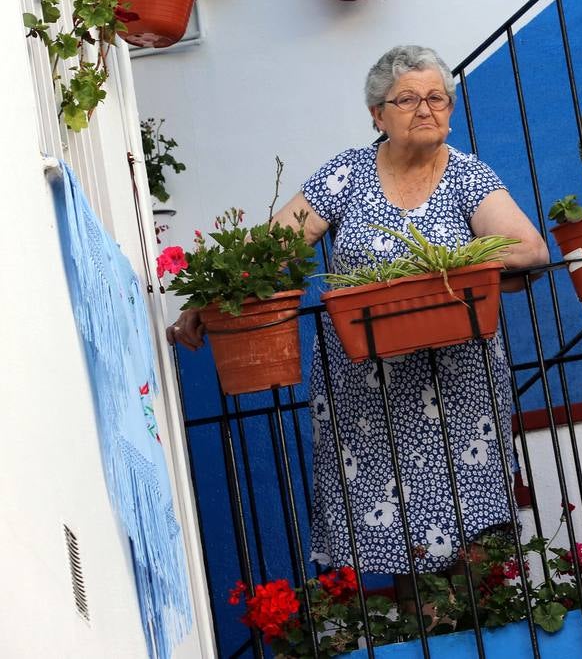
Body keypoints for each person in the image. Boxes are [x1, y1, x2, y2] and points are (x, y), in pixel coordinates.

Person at [168, 44, 550, 578]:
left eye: (437, 97)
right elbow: (269, 250)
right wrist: (208, 302)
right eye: (408, 99)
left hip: (459, 392)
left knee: (474, 535)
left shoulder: (468, 176)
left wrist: (445, 268)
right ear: (377, 114)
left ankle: (478, 624)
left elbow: (531, 251)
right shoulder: (346, 174)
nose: (425, 109)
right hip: (364, 395)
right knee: (386, 537)